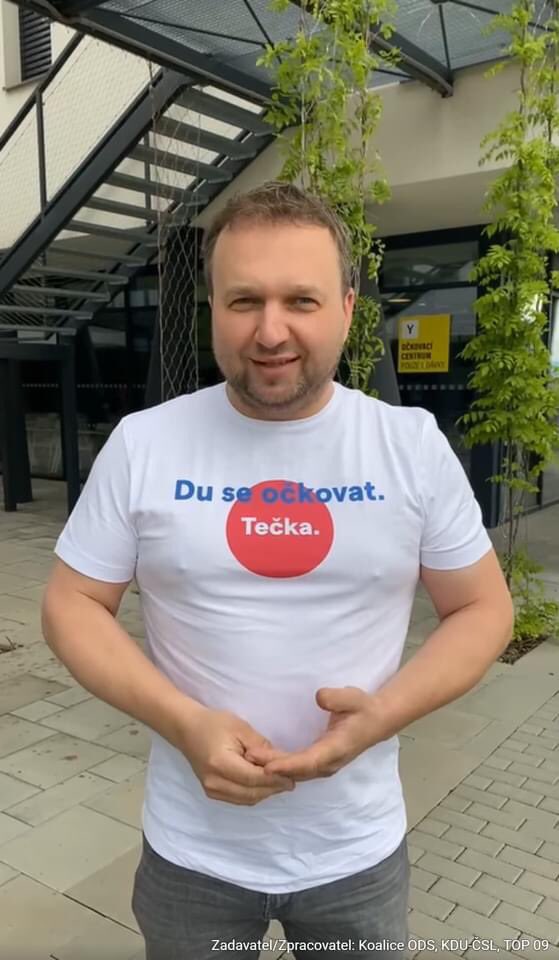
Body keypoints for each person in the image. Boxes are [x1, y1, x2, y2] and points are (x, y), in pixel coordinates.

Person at [42, 181, 514, 960]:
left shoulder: (408, 445)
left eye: (300, 299)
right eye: (243, 301)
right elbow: (71, 603)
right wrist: (183, 723)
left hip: (355, 849)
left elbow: (482, 609)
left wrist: (382, 716)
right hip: (191, 850)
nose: (269, 331)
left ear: (347, 310)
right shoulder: (145, 443)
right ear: (212, 310)